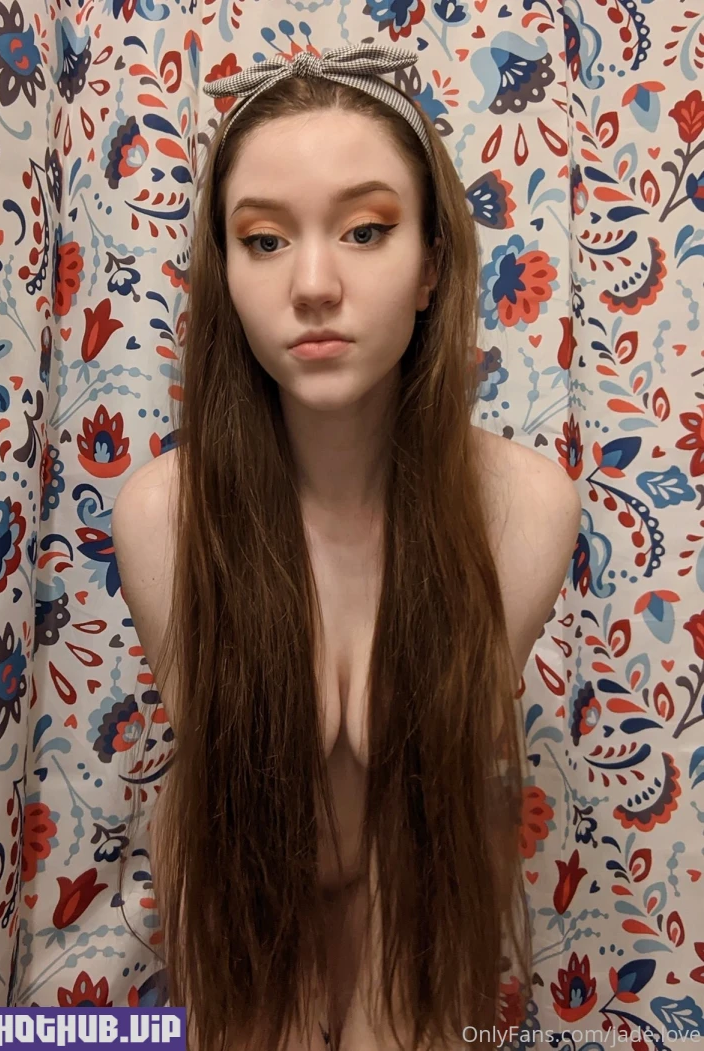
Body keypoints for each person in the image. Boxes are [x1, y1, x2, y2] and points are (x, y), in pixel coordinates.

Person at [111, 43, 582, 1051]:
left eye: (366, 231)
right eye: (264, 239)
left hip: (423, 920)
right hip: (237, 922)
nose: (314, 284)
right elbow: (225, 813)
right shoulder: (164, 516)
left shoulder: (523, 508)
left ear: (432, 267)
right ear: (225, 273)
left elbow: (432, 812)